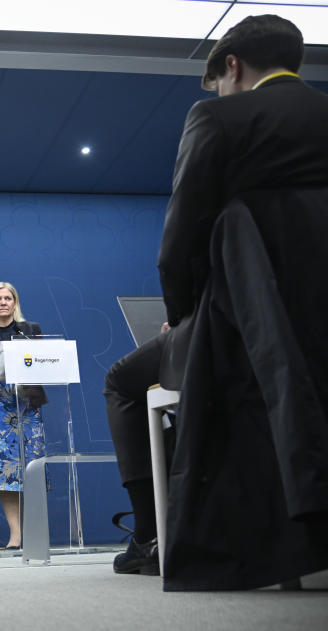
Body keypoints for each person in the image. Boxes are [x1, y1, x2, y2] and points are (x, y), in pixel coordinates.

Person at [105, 14, 328, 588]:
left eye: (221, 80)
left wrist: (179, 322)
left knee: (123, 380)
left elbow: (178, 247)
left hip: (244, 328)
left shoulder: (218, 117)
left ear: (232, 67)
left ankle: (154, 533)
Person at [0, 281, 46, 550]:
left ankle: (36, 533)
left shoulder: (30, 331)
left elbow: (42, 363)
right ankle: (16, 535)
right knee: (5, 476)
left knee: (31, 472)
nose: (3, 303)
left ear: (15, 303)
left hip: (27, 409)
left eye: (8, 298)